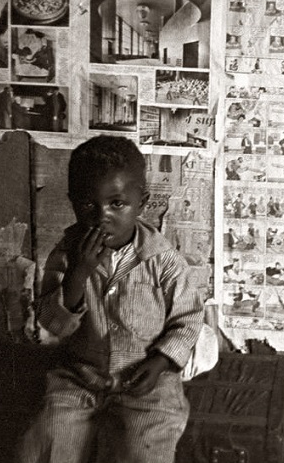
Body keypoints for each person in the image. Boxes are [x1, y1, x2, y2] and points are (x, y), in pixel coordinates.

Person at [16, 136, 203, 463]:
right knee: (46, 443)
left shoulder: (164, 261)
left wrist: (159, 363)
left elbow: (187, 322)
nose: (102, 216)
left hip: (145, 381)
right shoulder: (66, 255)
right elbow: (52, 325)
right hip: (80, 377)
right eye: (89, 205)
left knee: (142, 449)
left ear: (141, 202)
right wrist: (79, 272)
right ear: (73, 203)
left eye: (117, 203)